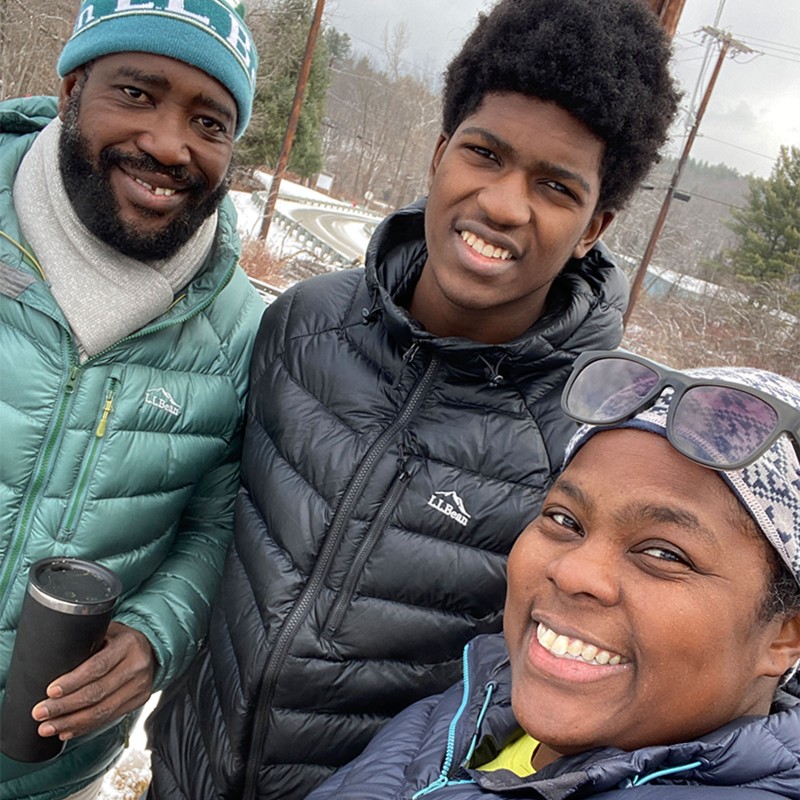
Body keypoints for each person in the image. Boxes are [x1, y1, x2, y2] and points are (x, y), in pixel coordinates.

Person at [146, 1, 681, 797]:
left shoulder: (592, 435)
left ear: (594, 227)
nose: (503, 203)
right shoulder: (304, 324)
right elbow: (213, 516)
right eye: (485, 153)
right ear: (439, 154)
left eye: (555, 187)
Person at [306, 350, 800, 799]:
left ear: (785, 636)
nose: (572, 572)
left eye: (664, 554)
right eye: (565, 520)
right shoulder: (462, 707)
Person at [0, 2, 263, 798]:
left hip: (48, 770)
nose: (169, 144)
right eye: (138, 94)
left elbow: (218, 524)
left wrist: (155, 637)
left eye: (210, 121)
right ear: (75, 83)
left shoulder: (242, 330)